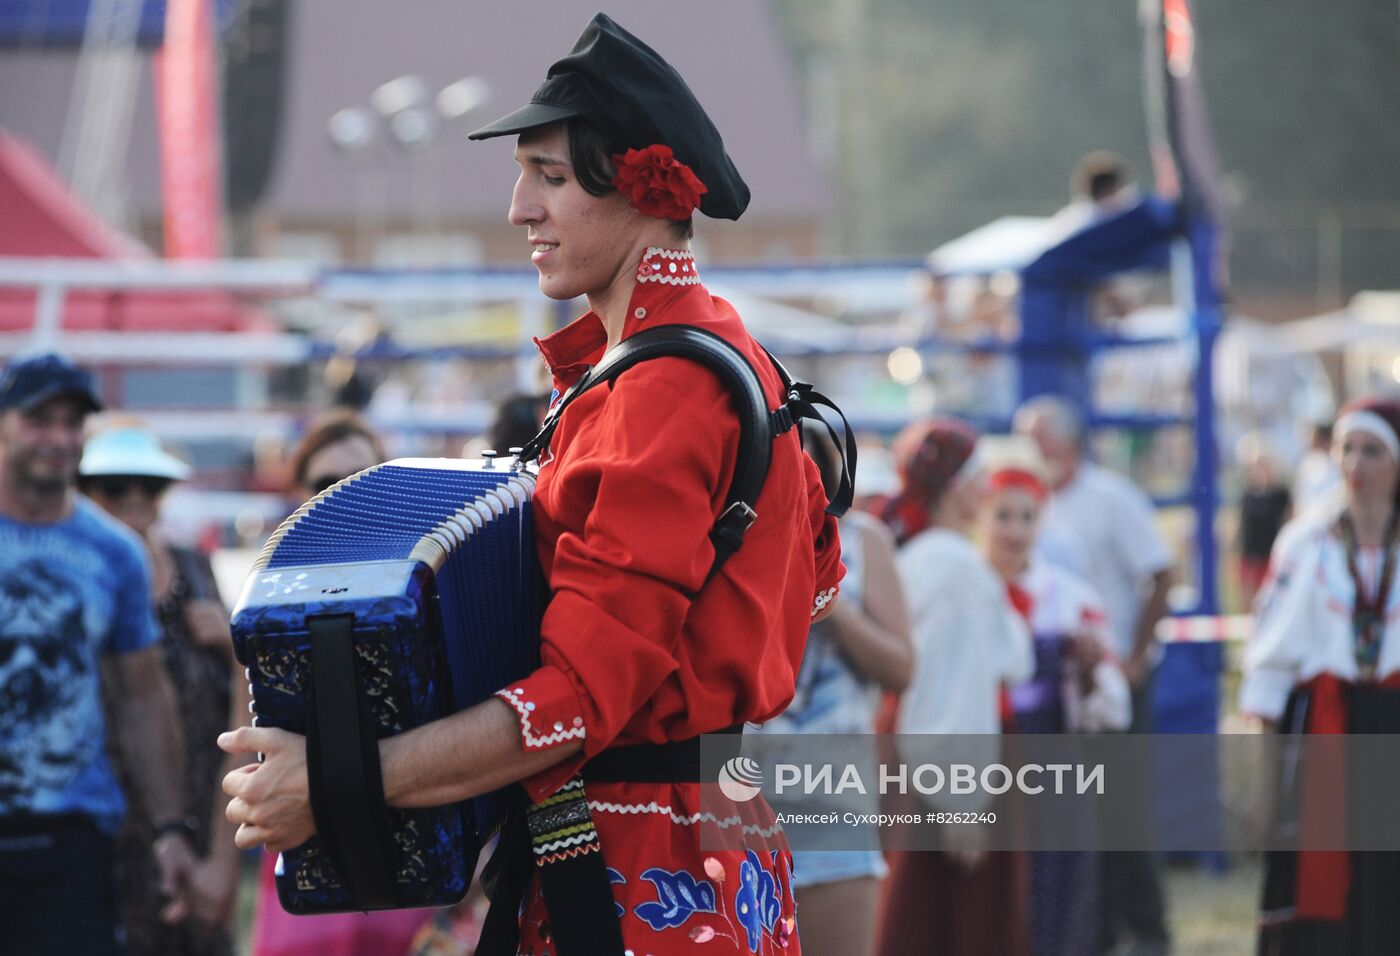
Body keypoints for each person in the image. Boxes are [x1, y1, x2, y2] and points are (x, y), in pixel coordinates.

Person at [220, 14, 843, 956]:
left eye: (549, 178)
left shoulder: (663, 387)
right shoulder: (720, 351)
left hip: (641, 874)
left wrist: (338, 780)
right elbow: (814, 584)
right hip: (703, 845)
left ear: (641, 189)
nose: (519, 209)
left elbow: (575, 704)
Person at [0, 353, 195, 955]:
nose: (58, 439)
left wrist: (170, 828)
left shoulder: (114, 552)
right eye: (40, 420)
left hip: (72, 831)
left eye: (72, 423)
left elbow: (143, 694)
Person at [251, 410, 429, 956]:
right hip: (304, 864)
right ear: (298, 495)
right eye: (326, 484)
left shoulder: (429, 589)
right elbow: (238, 744)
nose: (342, 497)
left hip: (419, 868)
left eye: (363, 480)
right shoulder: (261, 603)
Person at [1240, 395, 1400, 954]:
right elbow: (1268, 669)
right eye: (1347, 449)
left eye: (1373, 451)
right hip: (1322, 737)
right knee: (1320, 901)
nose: (1356, 465)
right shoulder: (1305, 544)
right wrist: (1261, 790)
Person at [1013, 394, 1172, 955]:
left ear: (1067, 445)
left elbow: (1159, 571)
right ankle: (1093, 929)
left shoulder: (1109, 498)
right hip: (1048, 689)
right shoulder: (1025, 505)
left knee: (1122, 805)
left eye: (1040, 442)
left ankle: (1148, 927)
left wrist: (1130, 658)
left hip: (1110, 680)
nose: (1032, 453)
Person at [874, 418, 1034, 956]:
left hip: (914, 758)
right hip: (944, 770)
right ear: (955, 485)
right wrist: (961, 800)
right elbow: (952, 689)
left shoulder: (921, 556)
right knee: (953, 926)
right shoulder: (955, 566)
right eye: (977, 475)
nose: (987, 487)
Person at [753, 421, 912, 956]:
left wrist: (830, 602)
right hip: (735, 805)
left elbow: (902, 669)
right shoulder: (726, 532)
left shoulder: (865, 540)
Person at [79, 424, 238, 955]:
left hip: (196, 825)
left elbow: (244, 714)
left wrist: (235, 646)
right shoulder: (71, 585)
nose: (134, 499)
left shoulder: (196, 572)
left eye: (149, 486)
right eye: (115, 486)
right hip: (99, 845)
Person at [978, 440, 1131, 956]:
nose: (1015, 530)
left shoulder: (1070, 597)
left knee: (1059, 885)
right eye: (1003, 516)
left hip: (1052, 759)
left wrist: (1088, 673)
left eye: (1027, 516)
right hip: (980, 756)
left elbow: (1109, 705)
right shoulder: (966, 592)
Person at [1235, 432, 1292, 611]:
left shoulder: (1281, 494)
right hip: (1250, 556)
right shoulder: (1247, 494)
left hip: (1271, 555)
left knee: (1271, 601)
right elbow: (1240, 525)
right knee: (1249, 604)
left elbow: (1288, 522)